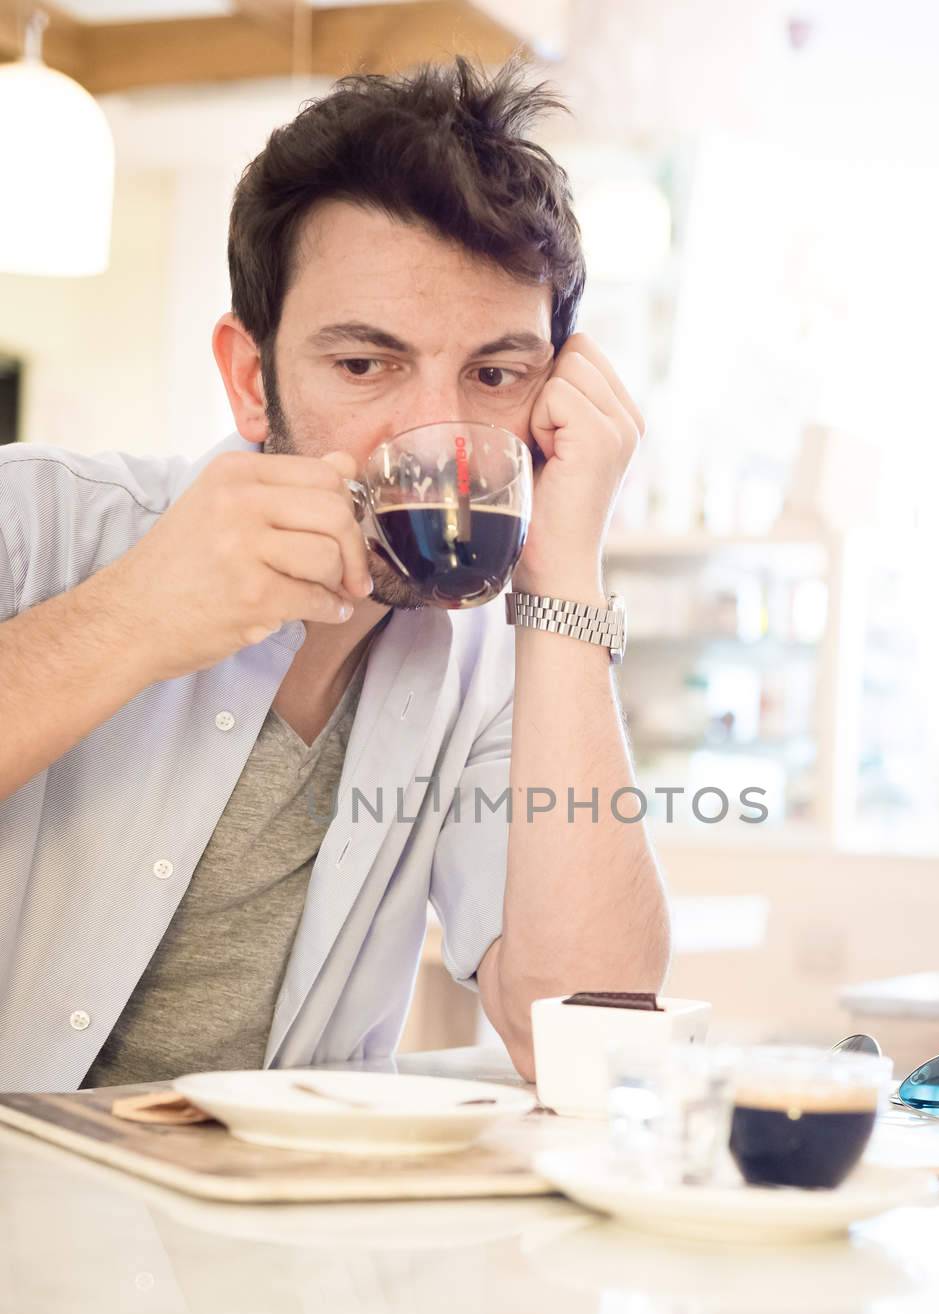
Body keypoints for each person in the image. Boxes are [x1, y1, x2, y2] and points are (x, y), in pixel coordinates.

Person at [0, 54, 671, 1094]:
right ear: (249, 379)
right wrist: (132, 617)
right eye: (365, 365)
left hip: (272, 1244)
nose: (433, 436)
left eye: (494, 375)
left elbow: (589, 1042)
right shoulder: (41, 521)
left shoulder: (498, 663)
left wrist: (566, 570)